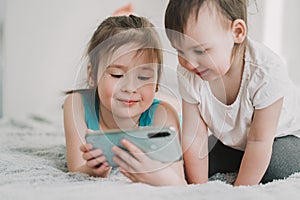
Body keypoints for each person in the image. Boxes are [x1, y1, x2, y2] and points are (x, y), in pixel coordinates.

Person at [164, 0, 300, 186]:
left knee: (275, 166)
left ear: (237, 32)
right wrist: (197, 188)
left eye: (200, 51)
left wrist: (238, 191)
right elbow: (194, 137)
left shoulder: (266, 72)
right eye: (180, 51)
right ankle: (241, 162)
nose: (190, 63)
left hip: (281, 137)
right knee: (188, 163)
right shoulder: (189, 74)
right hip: (235, 142)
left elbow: (260, 141)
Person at [63, 15, 186, 186]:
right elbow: (76, 168)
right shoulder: (77, 105)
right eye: (117, 75)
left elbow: (178, 180)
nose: (130, 87)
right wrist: (95, 170)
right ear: (92, 75)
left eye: (143, 77)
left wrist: (157, 177)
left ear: (156, 82)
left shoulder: (163, 115)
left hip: (179, 122)